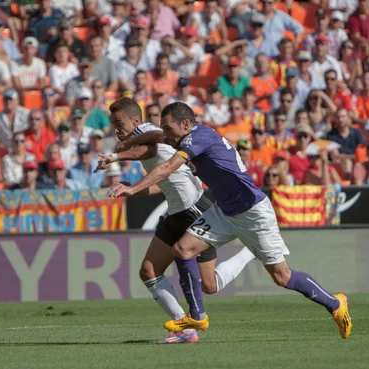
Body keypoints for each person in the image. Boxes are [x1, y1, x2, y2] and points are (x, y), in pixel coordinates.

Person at [107, 101, 351, 338]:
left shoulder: (198, 138)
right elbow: (158, 141)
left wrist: (131, 185)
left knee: (282, 277)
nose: (166, 135)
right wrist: (125, 149)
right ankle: (197, 316)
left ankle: (335, 303)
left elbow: (168, 165)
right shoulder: (187, 137)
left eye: (169, 129)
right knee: (182, 249)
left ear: (185, 124)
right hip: (223, 210)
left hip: (253, 213)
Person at [95, 98, 255, 343]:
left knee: (194, 280)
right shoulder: (150, 138)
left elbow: (147, 148)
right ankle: (186, 326)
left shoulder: (147, 131)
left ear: (136, 121)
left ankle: (189, 324)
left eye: (120, 123)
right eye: (113, 124)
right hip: (180, 210)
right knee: (159, 273)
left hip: (193, 209)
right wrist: (134, 188)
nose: (116, 129)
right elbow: (160, 185)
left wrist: (116, 156)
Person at [0, 88, 30, 152]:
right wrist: (4, 149)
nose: (8, 101)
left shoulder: (26, 114)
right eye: (6, 99)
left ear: (17, 100)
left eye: (10, 99)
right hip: (5, 150)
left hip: (25, 148)